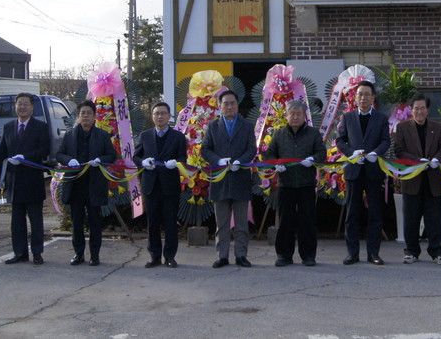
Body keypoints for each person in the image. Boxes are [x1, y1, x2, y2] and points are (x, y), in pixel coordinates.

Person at [263, 99, 326, 267]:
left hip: (306, 184)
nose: (295, 117)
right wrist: (276, 164)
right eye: (292, 114)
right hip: (286, 184)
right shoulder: (279, 134)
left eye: (298, 114)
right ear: (286, 116)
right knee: (285, 221)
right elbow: (269, 155)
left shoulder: (313, 134)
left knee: (308, 221)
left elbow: (322, 153)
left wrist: (313, 159)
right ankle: (284, 255)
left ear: (305, 116)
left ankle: (308, 256)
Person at [336, 80, 391, 265]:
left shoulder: (382, 118)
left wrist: (376, 153)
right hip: (354, 170)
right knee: (352, 213)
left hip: (373, 170)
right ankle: (352, 253)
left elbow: (385, 141)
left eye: (367, 94)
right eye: (360, 94)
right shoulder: (348, 117)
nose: (363, 98)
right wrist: (352, 153)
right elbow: (340, 141)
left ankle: (373, 253)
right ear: (355, 97)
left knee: (375, 213)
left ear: (373, 97)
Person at [56, 100, 117, 266]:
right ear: (78, 116)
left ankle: (95, 255)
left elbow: (111, 156)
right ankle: (78, 254)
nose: (86, 116)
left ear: (95, 116)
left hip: (94, 183)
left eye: (89, 113)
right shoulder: (69, 135)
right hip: (75, 184)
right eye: (83, 113)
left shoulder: (103, 135)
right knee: (76, 221)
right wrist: (69, 160)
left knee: (95, 221)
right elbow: (60, 154)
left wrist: (100, 160)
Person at [201, 90, 257, 268]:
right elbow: (205, 149)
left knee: (241, 223)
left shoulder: (247, 126)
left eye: (232, 103)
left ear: (237, 105)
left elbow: (252, 149)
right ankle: (222, 255)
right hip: (220, 179)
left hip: (240, 177)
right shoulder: (212, 126)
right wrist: (218, 160)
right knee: (222, 222)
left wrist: (241, 161)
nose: (229, 106)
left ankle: (241, 255)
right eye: (225, 104)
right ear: (220, 106)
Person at [393, 94, 441, 265]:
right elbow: (399, 151)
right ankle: (411, 251)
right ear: (411, 110)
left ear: (428, 110)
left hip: (432, 180)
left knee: (433, 218)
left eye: (422, 108)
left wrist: (435, 160)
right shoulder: (402, 128)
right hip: (412, 179)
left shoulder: (438, 128)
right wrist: (417, 161)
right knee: (411, 218)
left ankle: (436, 252)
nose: (419, 111)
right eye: (416, 108)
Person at [0, 93, 52, 265]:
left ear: (32, 107)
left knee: (35, 219)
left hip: (32, 178)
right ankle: (20, 252)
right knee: (17, 220)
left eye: (26, 104)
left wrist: (25, 157)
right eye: (19, 104)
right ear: (15, 106)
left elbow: (44, 150)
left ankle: (37, 252)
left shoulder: (41, 126)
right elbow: (2, 153)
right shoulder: (8, 126)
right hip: (14, 179)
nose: (22, 107)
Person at [134, 102, 188, 269]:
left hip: (170, 186)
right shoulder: (145, 135)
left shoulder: (178, 137)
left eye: (163, 113)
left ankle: (170, 256)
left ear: (169, 116)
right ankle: (154, 256)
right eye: (156, 113)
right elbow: (136, 157)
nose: (160, 116)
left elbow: (183, 158)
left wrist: (177, 163)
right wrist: (143, 162)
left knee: (170, 222)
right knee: (153, 222)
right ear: (152, 116)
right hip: (151, 185)